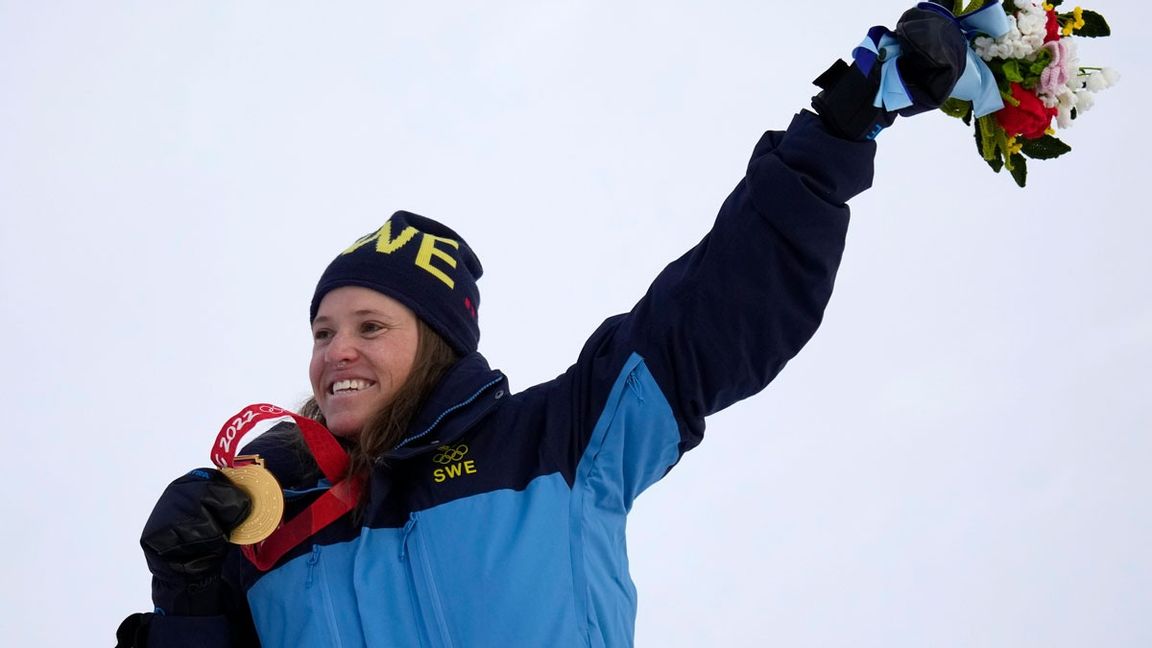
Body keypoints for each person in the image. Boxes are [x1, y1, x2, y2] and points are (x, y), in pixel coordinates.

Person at [117, 5, 971, 646]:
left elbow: (721, 306)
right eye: (322, 330)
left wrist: (841, 127)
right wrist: (188, 590)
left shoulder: (560, 442)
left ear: (435, 345)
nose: (336, 349)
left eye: (371, 325)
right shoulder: (263, 530)